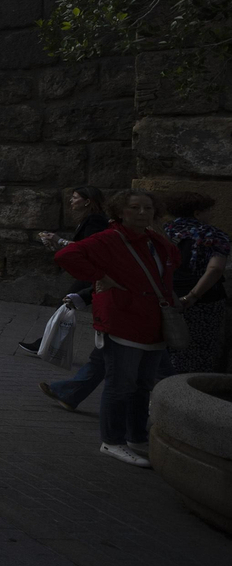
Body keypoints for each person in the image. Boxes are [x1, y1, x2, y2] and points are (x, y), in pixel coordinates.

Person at [54, 190, 179, 468]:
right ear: (121, 212)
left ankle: (135, 436)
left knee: (143, 385)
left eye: (147, 208)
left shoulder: (157, 242)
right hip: (122, 318)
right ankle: (112, 440)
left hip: (152, 321)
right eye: (135, 208)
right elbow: (67, 255)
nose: (142, 213)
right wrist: (101, 276)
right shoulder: (109, 239)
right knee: (120, 385)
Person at [21, 187, 107, 356]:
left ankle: (48, 345)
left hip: (94, 272)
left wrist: (59, 240)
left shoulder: (95, 220)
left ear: (87, 201)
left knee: (67, 304)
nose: (71, 201)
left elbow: (88, 247)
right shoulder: (87, 219)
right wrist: (56, 243)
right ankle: (49, 345)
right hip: (92, 272)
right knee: (67, 305)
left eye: (75, 198)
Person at [161, 191, 229, 374]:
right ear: (198, 213)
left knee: (166, 346)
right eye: (209, 210)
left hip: (167, 297)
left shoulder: (162, 233)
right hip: (205, 300)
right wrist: (192, 296)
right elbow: (215, 269)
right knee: (200, 347)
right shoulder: (214, 235)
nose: (211, 214)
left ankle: (161, 391)